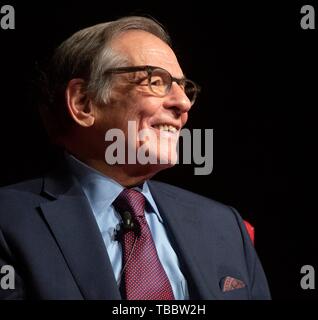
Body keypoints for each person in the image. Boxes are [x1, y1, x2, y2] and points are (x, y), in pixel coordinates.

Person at [0, 16, 270, 300]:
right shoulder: (9, 223)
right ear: (83, 103)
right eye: (156, 81)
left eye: (184, 87)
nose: (184, 104)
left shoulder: (225, 226)